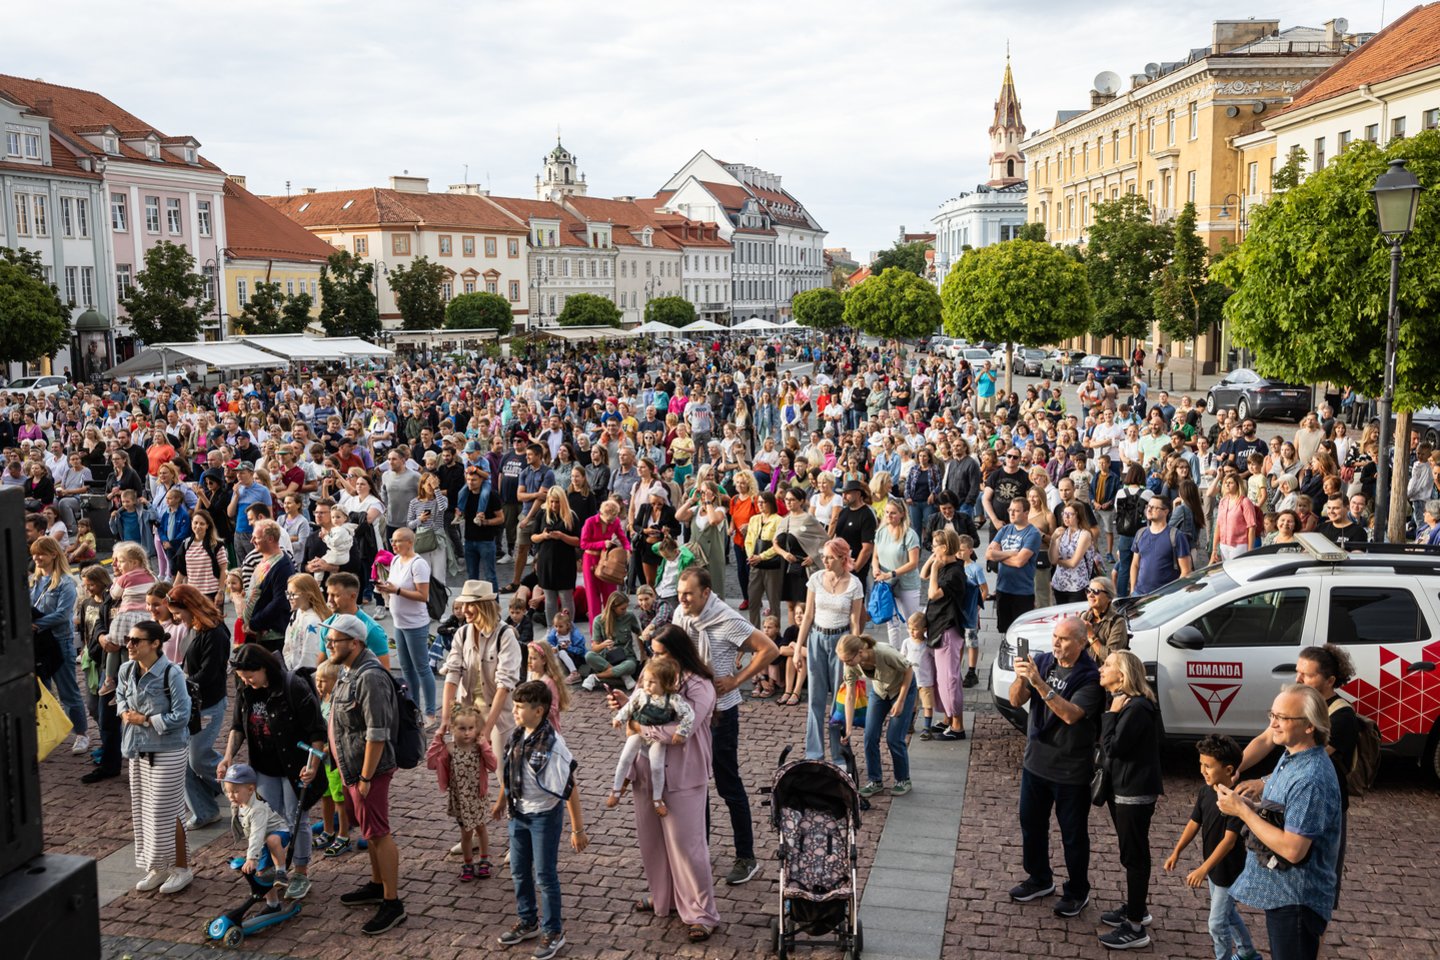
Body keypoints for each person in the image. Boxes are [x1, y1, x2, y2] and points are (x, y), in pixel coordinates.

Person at [612, 624, 721, 942]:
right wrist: (624, 705)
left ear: (677, 653)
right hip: (646, 769)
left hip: (685, 773)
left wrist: (637, 727)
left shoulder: (700, 686)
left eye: (659, 653)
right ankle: (666, 899)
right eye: (652, 652)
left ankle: (702, 912)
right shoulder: (652, 673)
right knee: (652, 843)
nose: (651, 658)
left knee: (688, 847)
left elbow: (679, 732)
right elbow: (635, 709)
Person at [1219, 685, 1343, 960]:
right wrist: (1252, 806)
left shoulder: (1310, 778)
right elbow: (1281, 816)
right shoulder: (1291, 757)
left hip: (1298, 900)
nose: (1272, 723)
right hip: (1286, 895)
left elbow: (1292, 849)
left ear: (1309, 726)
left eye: (1282, 718)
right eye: (1271, 714)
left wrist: (1243, 812)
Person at [670, 567, 777, 886]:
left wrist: (736, 681)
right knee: (695, 783)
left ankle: (747, 856)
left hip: (720, 714)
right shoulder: (681, 613)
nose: (682, 598)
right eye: (680, 591)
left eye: (688, 593)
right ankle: (699, 847)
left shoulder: (727, 619)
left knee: (728, 784)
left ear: (706, 593)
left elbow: (768, 649)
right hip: (690, 711)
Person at [1007, 616, 1103, 919]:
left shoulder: (1090, 676)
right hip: (1036, 762)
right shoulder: (1044, 661)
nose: (1056, 644)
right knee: (1031, 824)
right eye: (1054, 637)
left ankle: (1077, 891)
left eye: (1063, 639)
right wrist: (1023, 678)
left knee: (1073, 834)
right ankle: (1039, 878)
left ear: (1081, 642)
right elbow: (1014, 700)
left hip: (1070, 769)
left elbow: (1072, 715)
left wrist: (1039, 682)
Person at [218, 643, 327, 901]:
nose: (246, 682)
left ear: (265, 668)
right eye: (242, 678)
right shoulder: (246, 690)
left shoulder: (292, 686)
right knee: (270, 819)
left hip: (293, 766)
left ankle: (300, 871)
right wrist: (227, 757)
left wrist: (312, 765)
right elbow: (238, 727)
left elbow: (316, 730)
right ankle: (277, 868)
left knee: (296, 818)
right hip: (263, 767)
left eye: (250, 676)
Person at [491, 680, 588, 960]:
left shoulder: (554, 745)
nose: (515, 711)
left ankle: (554, 931)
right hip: (518, 814)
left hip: (544, 816)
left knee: (545, 876)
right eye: (515, 706)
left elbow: (569, 788)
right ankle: (528, 921)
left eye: (520, 707)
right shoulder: (518, 734)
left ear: (540, 710)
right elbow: (510, 770)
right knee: (519, 871)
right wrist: (501, 802)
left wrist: (577, 829)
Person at [328, 613, 407, 936]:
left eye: (334, 640)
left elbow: (377, 732)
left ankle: (392, 902)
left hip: (367, 771)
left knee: (378, 832)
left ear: (355, 643)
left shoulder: (369, 676)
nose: (329, 645)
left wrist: (364, 777)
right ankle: (377, 885)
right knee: (370, 832)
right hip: (352, 767)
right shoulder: (349, 669)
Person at [114, 619, 194, 895]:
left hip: (169, 748)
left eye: (136, 640)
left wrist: (146, 719)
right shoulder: (126, 669)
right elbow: (120, 695)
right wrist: (125, 712)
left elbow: (182, 715)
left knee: (166, 810)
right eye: (128, 639)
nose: (130, 645)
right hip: (137, 747)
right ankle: (158, 866)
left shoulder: (171, 673)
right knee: (144, 809)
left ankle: (182, 868)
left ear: (155, 643)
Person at [1163, 735, 1260, 960]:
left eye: (1208, 766)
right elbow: (1194, 822)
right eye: (1201, 764)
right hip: (1213, 869)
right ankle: (1248, 953)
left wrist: (1202, 869)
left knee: (1216, 924)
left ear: (1228, 770)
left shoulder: (1235, 800)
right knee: (1229, 914)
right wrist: (1177, 851)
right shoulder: (1206, 791)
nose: (1202, 771)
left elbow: (1229, 841)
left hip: (1228, 871)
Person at [1096, 650, 1163, 950]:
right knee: (1131, 853)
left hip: (1133, 792)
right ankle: (1136, 908)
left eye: (1108, 665)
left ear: (1122, 675)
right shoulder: (1131, 703)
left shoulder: (1134, 707)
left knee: (1134, 856)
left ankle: (1136, 926)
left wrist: (1111, 715)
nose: (1102, 668)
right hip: (1124, 789)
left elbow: (1115, 748)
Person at [167, 584, 230, 831]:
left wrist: (179, 682)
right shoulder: (193, 628)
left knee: (198, 758)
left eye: (177, 613)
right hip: (194, 702)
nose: (176, 618)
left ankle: (240, 785)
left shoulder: (215, 632)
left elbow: (209, 673)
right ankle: (204, 810)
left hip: (209, 703)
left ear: (189, 608)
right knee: (184, 760)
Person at [797, 537, 865, 762]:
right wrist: (799, 647)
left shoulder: (855, 584)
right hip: (817, 637)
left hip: (842, 642)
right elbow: (807, 615)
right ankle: (814, 753)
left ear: (843, 558)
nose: (824, 560)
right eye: (823, 556)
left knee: (839, 699)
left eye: (829, 557)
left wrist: (855, 652)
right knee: (815, 699)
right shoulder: (816, 578)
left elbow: (855, 621)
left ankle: (839, 756)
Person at [440, 579, 522, 761]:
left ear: (483, 606)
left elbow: (505, 685)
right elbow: (452, 674)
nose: (464, 610)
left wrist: (487, 729)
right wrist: (445, 718)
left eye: (470, 605)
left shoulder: (505, 635)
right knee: (465, 778)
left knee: (504, 775)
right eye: (463, 605)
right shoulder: (462, 633)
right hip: (467, 717)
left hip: (498, 716)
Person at [607, 656, 696, 816]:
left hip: (657, 738)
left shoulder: (673, 699)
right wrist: (619, 718)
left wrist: (681, 731)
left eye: (652, 682)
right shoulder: (641, 694)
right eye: (646, 680)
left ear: (666, 683)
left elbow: (688, 715)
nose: (646, 685)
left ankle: (657, 798)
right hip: (639, 733)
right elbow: (629, 707)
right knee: (625, 758)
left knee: (656, 766)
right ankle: (616, 789)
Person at [838, 632, 917, 798]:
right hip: (880, 692)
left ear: (860, 652)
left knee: (894, 738)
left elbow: (909, 670)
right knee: (870, 736)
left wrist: (901, 701)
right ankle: (875, 781)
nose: (846, 664)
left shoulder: (884, 653)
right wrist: (848, 728)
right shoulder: (851, 664)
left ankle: (903, 780)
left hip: (903, 689)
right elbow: (850, 695)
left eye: (848, 660)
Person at [426, 701, 498, 883]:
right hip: (460, 799)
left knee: (481, 829)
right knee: (465, 833)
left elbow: (493, 765)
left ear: (477, 728)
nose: (467, 732)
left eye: (471, 728)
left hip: (477, 797)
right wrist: (438, 736)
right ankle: (467, 863)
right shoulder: (450, 748)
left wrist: (485, 746)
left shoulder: (479, 747)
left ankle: (484, 860)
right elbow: (431, 762)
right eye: (462, 728)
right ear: (453, 728)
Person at [31, 536, 87, 752]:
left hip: (59, 641)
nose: (36, 558)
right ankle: (48, 731)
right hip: (40, 644)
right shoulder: (35, 581)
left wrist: (35, 626)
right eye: (34, 553)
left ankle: (82, 733)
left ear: (53, 554)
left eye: (41, 553)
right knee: (41, 690)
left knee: (68, 691)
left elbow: (63, 615)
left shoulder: (65, 582)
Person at [378, 527, 435, 724]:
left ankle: (430, 712)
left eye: (398, 541)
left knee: (421, 667)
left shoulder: (418, 564)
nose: (393, 544)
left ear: (410, 542)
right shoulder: (395, 560)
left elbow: (422, 596)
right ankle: (413, 708)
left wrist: (398, 590)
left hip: (415, 623)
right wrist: (385, 587)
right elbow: (394, 586)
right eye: (392, 540)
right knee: (405, 667)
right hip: (399, 622)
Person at [221, 762, 295, 913]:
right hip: (262, 840)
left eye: (234, 791)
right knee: (261, 873)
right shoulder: (241, 800)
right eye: (228, 791)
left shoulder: (257, 810)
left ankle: (281, 872)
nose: (230, 796)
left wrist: (252, 857)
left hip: (278, 832)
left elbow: (257, 833)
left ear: (250, 789)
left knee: (272, 841)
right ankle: (273, 904)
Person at [919, 528, 971, 742]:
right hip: (937, 627)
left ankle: (958, 725)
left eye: (935, 545)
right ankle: (948, 718)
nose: (932, 548)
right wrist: (933, 560)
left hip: (948, 629)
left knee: (949, 679)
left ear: (945, 547)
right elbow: (922, 574)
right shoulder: (944, 565)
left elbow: (932, 593)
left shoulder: (955, 572)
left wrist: (935, 568)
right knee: (940, 678)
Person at [987, 497, 1042, 634]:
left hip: (1022, 592)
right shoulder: (1005, 530)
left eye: (1016, 511)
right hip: (1003, 589)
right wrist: (1011, 553)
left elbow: (1019, 562)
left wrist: (999, 556)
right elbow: (988, 554)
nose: (1011, 513)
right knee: (1004, 631)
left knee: (1021, 635)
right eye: (1010, 510)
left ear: (1026, 513)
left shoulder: (1033, 534)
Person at [872, 499, 922, 649]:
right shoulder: (881, 532)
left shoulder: (910, 534)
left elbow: (913, 563)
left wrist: (891, 574)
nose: (889, 516)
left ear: (902, 514)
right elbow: (875, 556)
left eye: (893, 513)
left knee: (912, 623)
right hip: (887, 584)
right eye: (887, 512)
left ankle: (914, 653)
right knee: (892, 622)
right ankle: (896, 654)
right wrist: (875, 569)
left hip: (907, 583)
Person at [532, 486, 582, 624]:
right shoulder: (542, 514)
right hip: (546, 561)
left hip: (565, 562)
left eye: (557, 502)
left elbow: (578, 541)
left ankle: (569, 628)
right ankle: (551, 629)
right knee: (549, 598)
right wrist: (543, 536)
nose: (554, 505)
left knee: (566, 598)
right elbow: (533, 537)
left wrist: (561, 536)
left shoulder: (571, 516)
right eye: (552, 501)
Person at [579, 497, 630, 627]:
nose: (611, 522)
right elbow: (583, 544)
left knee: (610, 595)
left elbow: (623, 538)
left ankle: (610, 627)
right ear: (601, 514)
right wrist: (602, 543)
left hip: (607, 560)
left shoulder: (615, 522)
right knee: (593, 597)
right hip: (590, 559)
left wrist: (628, 550)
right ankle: (595, 631)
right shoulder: (590, 522)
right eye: (609, 520)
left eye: (613, 519)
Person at [1130, 492, 1192, 596]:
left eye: (1154, 508)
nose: (1149, 510)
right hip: (1139, 594)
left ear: (1165, 511)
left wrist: (1175, 595)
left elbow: (1186, 570)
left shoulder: (1176, 536)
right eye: (1148, 506)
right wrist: (1132, 590)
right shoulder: (1140, 533)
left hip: (1164, 597)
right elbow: (1135, 565)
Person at [583, 590, 642, 691]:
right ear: (613, 608)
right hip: (607, 657)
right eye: (622, 609)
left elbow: (639, 634)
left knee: (631, 665)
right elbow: (594, 648)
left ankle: (595, 677)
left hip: (626, 656)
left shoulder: (629, 616)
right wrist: (603, 645)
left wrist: (643, 653)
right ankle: (623, 675)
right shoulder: (599, 620)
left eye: (626, 608)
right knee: (588, 656)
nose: (625, 611)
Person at [744, 491, 784, 627]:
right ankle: (754, 630)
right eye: (758, 502)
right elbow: (749, 540)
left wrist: (761, 557)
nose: (760, 505)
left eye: (763, 502)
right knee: (753, 600)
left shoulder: (779, 520)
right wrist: (751, 556)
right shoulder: (754, 519)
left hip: (771, 565)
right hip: (755, 563)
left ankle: (774, 631)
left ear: (770, 503)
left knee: (773, 601)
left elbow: (777, 545)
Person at [832, 479, 877, 590]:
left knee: (857, 602)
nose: (844, 496)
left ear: (857, 494)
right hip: (840, 563)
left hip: (855, 566)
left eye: (847, 493)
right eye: (843, 493)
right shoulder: (844, 512)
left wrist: (856, 568)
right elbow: (836, 536)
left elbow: (867, 548)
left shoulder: (866, 515)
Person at [283, 574, 330, 673]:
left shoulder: (313, 622)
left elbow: (310, 656)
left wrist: (296, 674)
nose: (289, 598)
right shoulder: (296, 614)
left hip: (304, 676)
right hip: (292, 671)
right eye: (288, 593)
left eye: (293, 594)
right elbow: (288, 643)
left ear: (308, 595)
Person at [1079, 576, 1128, 661]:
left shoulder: (1117, 622)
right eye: (1088, 591)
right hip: (1083, 670)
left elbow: (1111, 657)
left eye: (1096, 592)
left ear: (1109, 598)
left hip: (1102, 672)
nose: (1090, 595)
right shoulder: (1084, 616)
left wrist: (1091, 635)